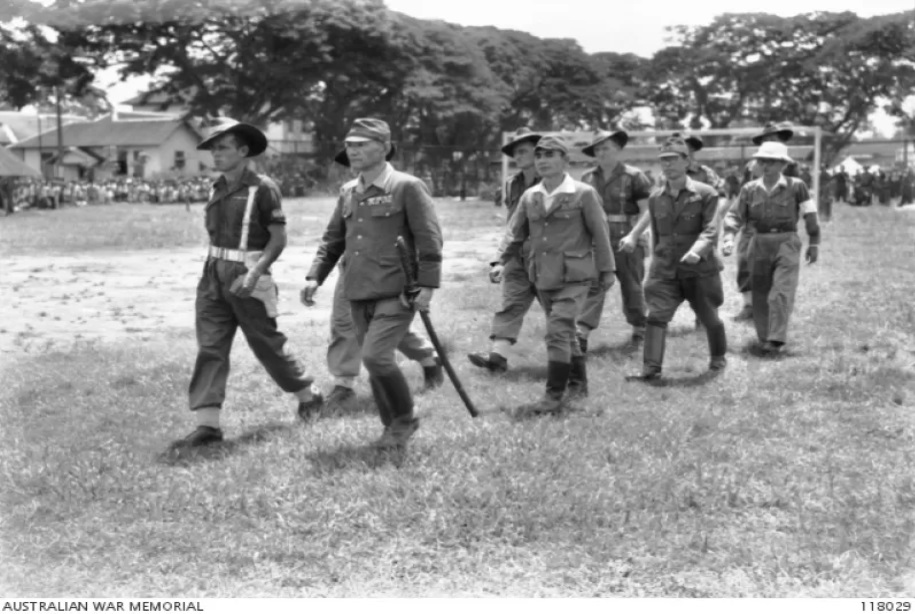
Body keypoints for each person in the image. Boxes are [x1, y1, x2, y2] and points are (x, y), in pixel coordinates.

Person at [172, 119, 323, 449]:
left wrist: (255, 274)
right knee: (211, 347)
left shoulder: (263, 188)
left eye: (222, 147)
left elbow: (278, 239)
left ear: (243, 151)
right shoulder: (217, 187)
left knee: (265, 342)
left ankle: (308, 395)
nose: (215, 154)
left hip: (250, 273)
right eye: (212, 149)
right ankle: (208, 425)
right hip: (213, 275)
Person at [301, 118, 443, 450]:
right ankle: (391, 425)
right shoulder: (349, 191)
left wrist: (428, 285)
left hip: (397, 289)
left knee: (376, 357)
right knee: (374, 359)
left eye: (362, 144)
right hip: (358, 289)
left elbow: (429, 239)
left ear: (383, 147)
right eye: (350, 145)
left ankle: (405, 419)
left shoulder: (407, 186)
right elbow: (333, 239)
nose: (353, 150)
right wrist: (314, 276)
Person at [493, 135, 614, 415]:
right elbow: (514, 233)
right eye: (539, 156)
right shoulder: (529, 195)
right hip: (543, 275)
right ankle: (578, 384)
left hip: (576, 275)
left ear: (565, 160)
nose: (543, 161)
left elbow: (600, 232)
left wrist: (608, 270)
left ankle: (553, 396)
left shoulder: (583, 193)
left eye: (550, 155)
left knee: (558, 328)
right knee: (567, 334)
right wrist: (498, 262)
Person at [626, 135, 727, 382]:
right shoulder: (655, 197)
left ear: (686, 161)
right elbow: (658, 235)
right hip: (665, 270)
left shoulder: (706, 193)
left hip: (698, 269)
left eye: (673, 159)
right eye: (663, 160)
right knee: (656, 317)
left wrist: (699, 250)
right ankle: (651, 369)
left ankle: (717, 359)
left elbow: (711, 229)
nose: (667, 165)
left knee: (709, 317)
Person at [722, 141, 820, 355]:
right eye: (762, 161)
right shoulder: (749, 189)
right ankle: (765, 338)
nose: (765, 165)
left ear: (783, 165)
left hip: (786, 242)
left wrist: (814, 242)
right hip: (758, 243)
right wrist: (729, 237)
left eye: (771, 161)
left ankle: (776, 339)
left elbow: (810, 214)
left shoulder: (797, 186)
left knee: (781, 291)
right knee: (761, 293)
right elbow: (734, 215)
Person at [468, 128, 542, 373]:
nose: (517, 157)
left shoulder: (554, 181)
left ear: (537, 151)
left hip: (548, 255)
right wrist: (500, 259)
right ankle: (498, 358)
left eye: (522, 151)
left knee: (557, 308)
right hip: (518, 255)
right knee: (510, 304)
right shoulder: (512, 183)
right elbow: (512, 223)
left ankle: (573, 358)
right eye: (515, 153)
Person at [577, 129, 652, 348]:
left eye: (606, 148)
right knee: (593, 285)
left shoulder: (635, 176)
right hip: (596, 242)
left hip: (627, 241)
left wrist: (634, 235)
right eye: (597, 149)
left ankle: (640, 328)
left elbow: (648, 210)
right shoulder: (587, 178)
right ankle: (581, 332)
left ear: (618, 149)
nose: (601, 153)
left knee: (632, 287)